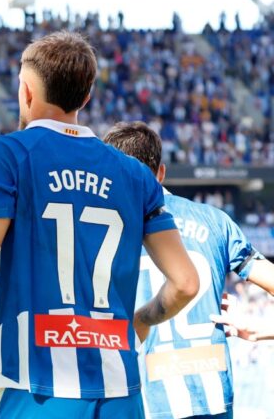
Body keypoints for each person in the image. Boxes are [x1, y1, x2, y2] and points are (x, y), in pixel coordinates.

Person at [0, 31, 200, 418]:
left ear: (26, 91)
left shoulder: (5, 155)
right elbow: (186, 283)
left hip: (38, 389)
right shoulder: (135, 174)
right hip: (121, 392)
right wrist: (141, 319)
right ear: (85, 98)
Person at [103, 121, 274, 419]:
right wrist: (262, 330)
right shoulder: (215, 221)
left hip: (145, 401)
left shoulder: (103, 229)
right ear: (162, 172)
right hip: (213, 400)